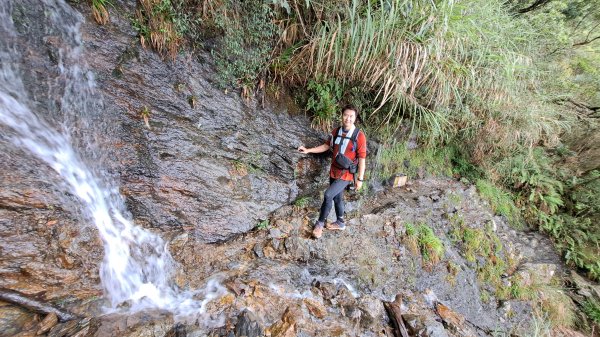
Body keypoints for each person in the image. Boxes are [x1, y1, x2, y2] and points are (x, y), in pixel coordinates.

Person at [298, 105, 367, 239]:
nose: (348, 118)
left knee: (328, 195)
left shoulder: (359, 136)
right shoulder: (336, 131)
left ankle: (319, 224)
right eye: (346, 115)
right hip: (334, 171)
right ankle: (340, 222)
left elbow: (362, 159)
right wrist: (308, 150)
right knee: (337, 197)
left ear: (355, 118)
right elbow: (326, 146)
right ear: (342, 116)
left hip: (346, 174)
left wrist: (360, 179)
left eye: (351, 116)